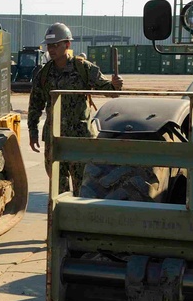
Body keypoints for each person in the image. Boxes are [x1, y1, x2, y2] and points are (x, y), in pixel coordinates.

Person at [27, 23, 123, 194]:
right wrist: (33, 132)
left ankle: (80, 219)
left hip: (80, 140)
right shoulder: (43, 74)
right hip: (55, 140)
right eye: (49, 46)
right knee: (58, 188)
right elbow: (35, 105)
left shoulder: (83, 68)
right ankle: (60, 220)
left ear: (67, 45)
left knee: (84, 187)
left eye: (56, 45)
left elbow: (109, 91)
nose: (52, 49)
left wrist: (115, 86)